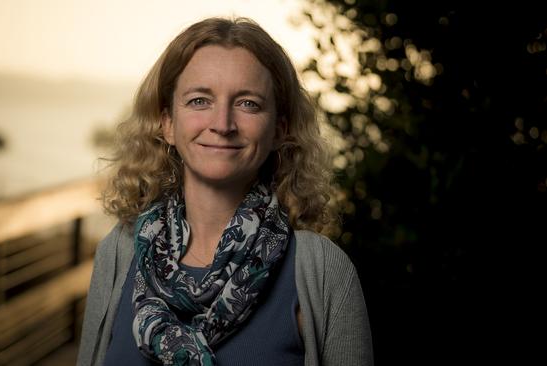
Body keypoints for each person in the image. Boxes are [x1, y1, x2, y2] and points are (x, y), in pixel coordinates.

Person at [77, 17, 372, 366]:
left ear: (279, 129)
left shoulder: (322, 271)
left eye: (248, 103)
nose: (222, 124)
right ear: (167, 123)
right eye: (200, 100)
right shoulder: (118, 252)